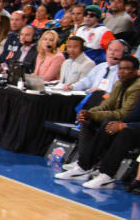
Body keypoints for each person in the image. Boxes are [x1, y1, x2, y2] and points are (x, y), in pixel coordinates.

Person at [55, 55, 139, 188]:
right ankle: (83, 165)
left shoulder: (137, 87)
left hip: (131, 125)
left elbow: (125, 114)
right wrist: (90, 114)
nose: (121, 72)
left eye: (126, 69)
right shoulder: (119, 83)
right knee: (89, 121)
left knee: (115, 126)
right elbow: (106, 105)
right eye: (120, 69)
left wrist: (121, 124)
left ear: (136, 71)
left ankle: (104, 174)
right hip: (124, 122)